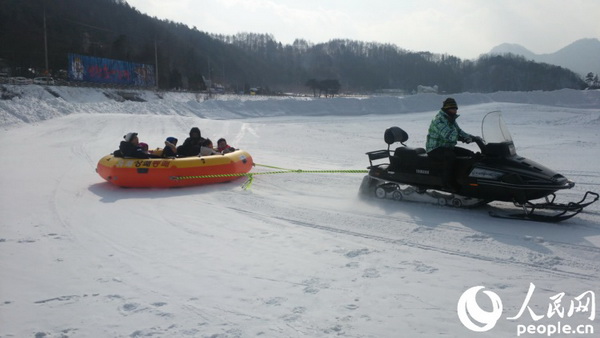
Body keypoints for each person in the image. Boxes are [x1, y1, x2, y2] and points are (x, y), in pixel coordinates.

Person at [425, 98, 478, 191]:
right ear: (447, 109)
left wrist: (472, 137)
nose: (455, 110)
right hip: (434, 148)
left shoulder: (451, 119)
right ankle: (447, 183)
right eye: (453, 108)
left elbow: (459, 131)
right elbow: (448, 135)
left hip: (447, 147)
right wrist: (462, 138)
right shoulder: (439, 120)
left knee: (469, 154)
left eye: (456, 108)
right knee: (450, 156)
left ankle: (465, 180)